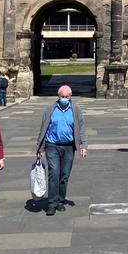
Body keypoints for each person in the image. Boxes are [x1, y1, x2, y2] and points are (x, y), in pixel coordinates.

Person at [36, 85, 88, 216]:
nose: (64, 99)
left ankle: (60, 200)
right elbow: (43, 128)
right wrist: (40, 147)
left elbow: (81, 128)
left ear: (70, 96)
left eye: (67, 97)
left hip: (69, 146)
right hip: (52, 145)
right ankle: (52, 203)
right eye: (62, 97)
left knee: (64, 175)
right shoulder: (50, 109)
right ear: (58, 96)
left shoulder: (75, 109)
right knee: (54, 173)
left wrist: (83, 145)